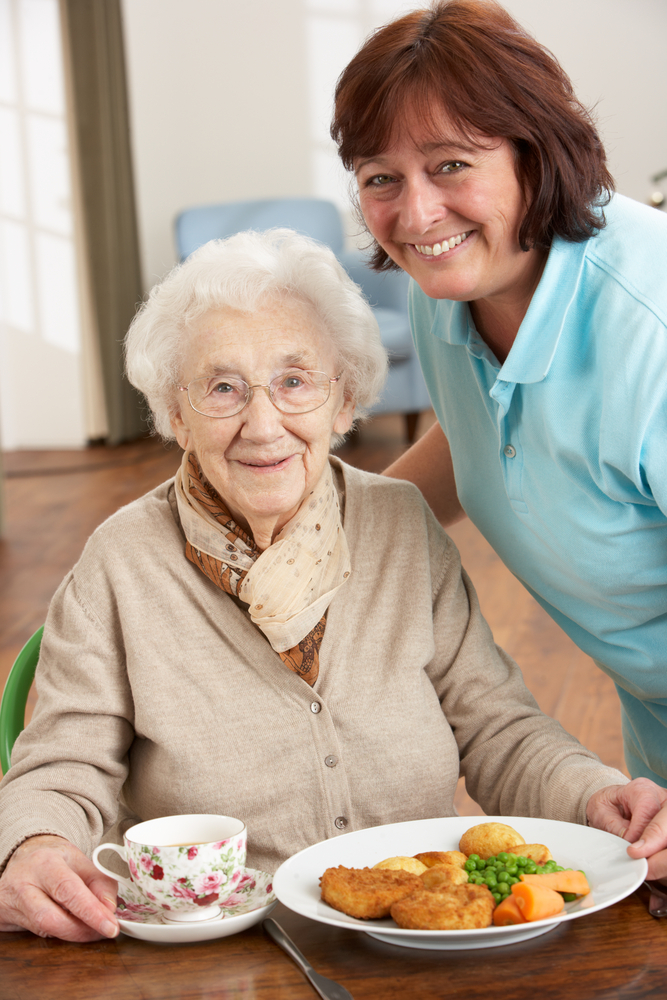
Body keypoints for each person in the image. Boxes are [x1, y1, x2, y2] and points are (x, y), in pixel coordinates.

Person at [0, 229, 663, 944]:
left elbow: (497, 725)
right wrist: (35, 846)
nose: (263, 425)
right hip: (224, 952)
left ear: (343, 402)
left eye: (294, 382)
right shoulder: (120, 561)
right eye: (222, 388)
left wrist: (594, 794)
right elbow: (63, 762)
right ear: (174, 414)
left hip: (419, 932)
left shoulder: (401, 525)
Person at [332, 0, 667, 868]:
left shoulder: (652, 328)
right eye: (380, 177)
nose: (414, 214)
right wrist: (319, 534)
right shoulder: (452, 285)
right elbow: (484, 429)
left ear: (536, 152)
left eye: (451, 164)